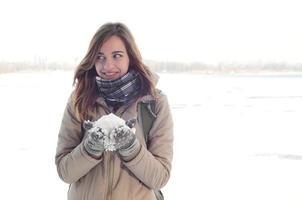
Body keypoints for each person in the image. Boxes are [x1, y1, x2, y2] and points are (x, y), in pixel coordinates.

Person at [55, 22, 174, 200]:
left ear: (131, 57)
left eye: (117, 56)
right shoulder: (79, 101)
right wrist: (90, 148)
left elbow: (159, 177)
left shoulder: (154, 103)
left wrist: (130, 147)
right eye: (100, 57)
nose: (107, 66)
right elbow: (65, 172)